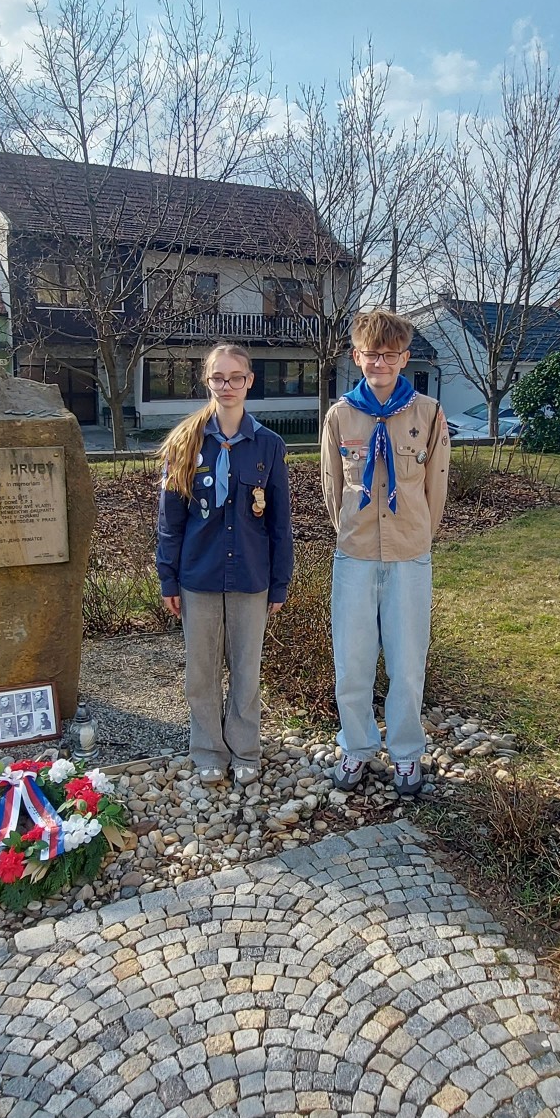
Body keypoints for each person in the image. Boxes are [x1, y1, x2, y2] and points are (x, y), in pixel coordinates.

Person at [321, 310, 451, 798]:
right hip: (355, 554)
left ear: (404, 357)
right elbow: (332, 483)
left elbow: (436, 483)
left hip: (408, 554)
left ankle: (406, 752)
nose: (381, 363)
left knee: (407, 661)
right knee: (352, 661)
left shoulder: (428, 413)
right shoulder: (340, 415)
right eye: (371, 354)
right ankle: (356, 746)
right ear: (356, 357)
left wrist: (419, 535)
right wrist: (349, 532)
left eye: (390, 355)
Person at [155, 344, 293, 786]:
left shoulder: (268, 445)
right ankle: (208, 749)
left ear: (249, 381)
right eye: (218, 377)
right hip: (198, 576)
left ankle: (245, 748)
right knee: (201, 673)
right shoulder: (185, 442)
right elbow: (170, 519)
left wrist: (279, 582)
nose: (227, 385)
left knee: (246, 672)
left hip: (251, 576)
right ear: (207, 380)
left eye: (236, 377)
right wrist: (168, 578)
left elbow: (280, 522)